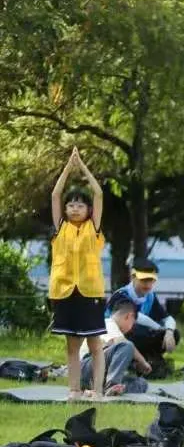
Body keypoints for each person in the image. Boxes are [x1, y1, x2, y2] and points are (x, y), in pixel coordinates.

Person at [48, 147, 107, 400]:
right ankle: (73, 390)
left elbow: (99, 193)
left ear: (88, 210)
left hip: (90, 291)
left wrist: (81, 166)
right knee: (71, 344)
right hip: (63, 290)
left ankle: (98, 390)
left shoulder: (93, 229)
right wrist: (67, 169)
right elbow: (55, 194)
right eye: (71, 205)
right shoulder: (60, 227)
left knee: (94, 344)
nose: (73, 208)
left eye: (79, 205)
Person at [107, 258, 180, 376]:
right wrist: (159, 328)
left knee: (174, 334)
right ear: (133, 277)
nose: (148, 285)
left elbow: (167, 318)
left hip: (140, 336)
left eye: (151, 280)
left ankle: (151, 360)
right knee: (137, 331)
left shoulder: (150, 296)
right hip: (114, 339)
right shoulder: (121, 295)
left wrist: (169, 332)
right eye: (144, 280)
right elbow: (136, 317)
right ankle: (134, 362)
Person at [79, 299, 149, 395]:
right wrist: (143, 362)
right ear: (129, 316)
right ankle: (111, 385)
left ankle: (113, 389)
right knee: (127, 346)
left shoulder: (114, 330)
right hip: (86, 368)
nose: (130, 329)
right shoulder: (108, 323)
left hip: (98, 374)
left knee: (142, 383)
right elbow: (124, 344)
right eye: (132, 323)